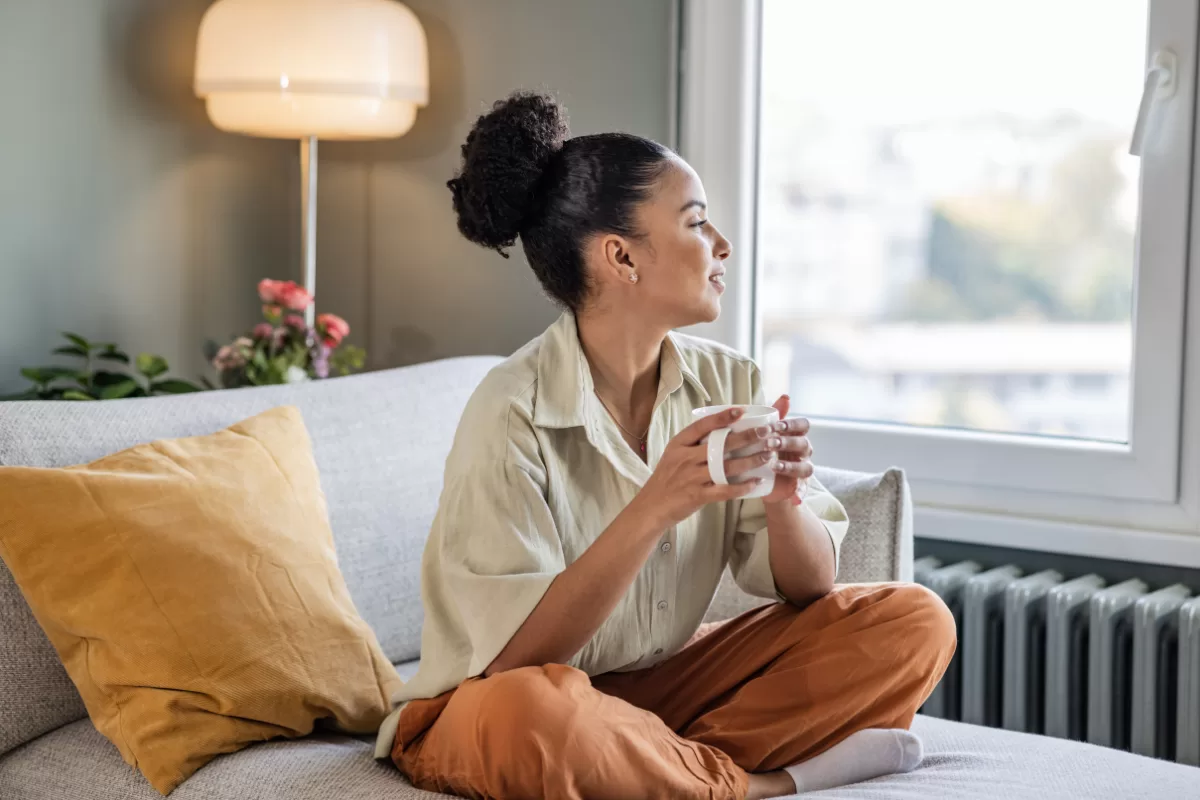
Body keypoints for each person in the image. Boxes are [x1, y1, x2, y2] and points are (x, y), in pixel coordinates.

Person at [374, 91, 956, 800]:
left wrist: (783, 500)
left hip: (653, 695)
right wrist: (653, 507)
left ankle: (646, 768)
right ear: (621, 256)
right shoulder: (509, 411)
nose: (722, 246)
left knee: (914, 619)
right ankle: (755, 784)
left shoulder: (728, 379)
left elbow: (810, 589)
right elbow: (514, 659)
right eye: (696, 222)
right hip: (488, 704)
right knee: (534, 714)